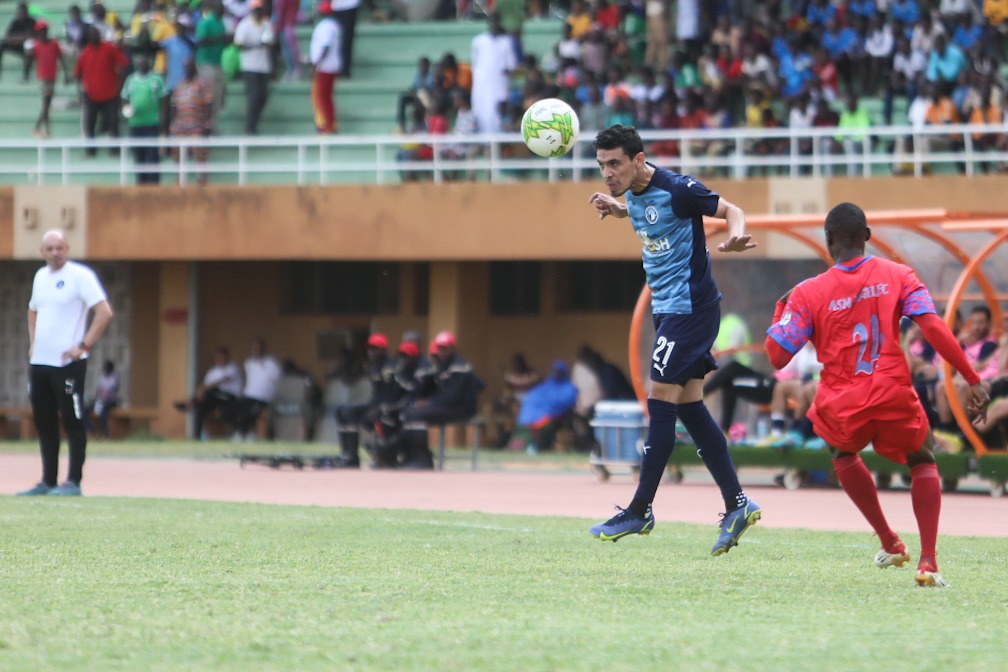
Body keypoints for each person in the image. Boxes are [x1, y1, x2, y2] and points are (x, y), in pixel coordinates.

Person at [765, 202, 990, 587]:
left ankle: (889, 540)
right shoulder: (899, 275)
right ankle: (928, 562)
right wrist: (971, 377)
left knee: (842, 453)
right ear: (867, 236)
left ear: (828, 240)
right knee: (923, 458)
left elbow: (777, 356)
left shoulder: (807, 292)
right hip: (891, 392)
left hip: (842, 403)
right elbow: (932, 326)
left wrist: (781, 307)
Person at [586, 124, 761, 556]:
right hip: (669, 309)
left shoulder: (679, 189)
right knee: (689, 406)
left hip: (690, 309)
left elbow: (731, 209)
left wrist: (736, 233)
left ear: (638, 160)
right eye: (602, 165)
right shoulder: (633, 190)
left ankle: (639, 509)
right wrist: (619, 209)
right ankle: (738, 503)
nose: (608, 173)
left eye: (615, 164)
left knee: (660, 399)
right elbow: (643, 209)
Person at [18, 229, 114, 497]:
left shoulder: (80, 276)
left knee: (73, 420)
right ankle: (48, 480)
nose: (55, 253)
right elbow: (32, 310)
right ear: (42, 252)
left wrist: (82, 346)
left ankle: (73, 481)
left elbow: (104, 312)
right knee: (45, 422)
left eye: (60, 247)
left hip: (67, 364)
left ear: (67, 249)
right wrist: (33, 342)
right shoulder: (40, 277)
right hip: (40, 363)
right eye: (50, 248)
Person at [399, 331, 485, 470]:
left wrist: (428, 403)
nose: (441, 351)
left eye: (444, 348)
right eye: (439, 347)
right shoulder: (444, 365)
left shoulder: (458, 366)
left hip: (462, 408)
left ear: (452, 348)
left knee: (416, 415)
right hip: (449, 406)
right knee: (409, 412)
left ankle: (423, 460)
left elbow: (452, 397)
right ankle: (411, 457)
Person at [330, 332, 396, 468]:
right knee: (341, 411)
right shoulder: (374, 366)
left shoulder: (389, 366)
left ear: (383, 349)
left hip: (386, 405)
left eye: (374, 348)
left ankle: (352, 457)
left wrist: (380, 408)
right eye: (369, 349)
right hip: (374, 402)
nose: (371, 352)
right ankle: (348, 454)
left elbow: (392, 393)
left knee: (351, 412)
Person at [73, 25, 130, 157]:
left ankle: (114, 150)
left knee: (113, 123)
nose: (95, 36)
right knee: (89, 125)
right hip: (91, 96)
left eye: (97, 33)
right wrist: (80, 92)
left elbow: (124, 65)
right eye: (92, 34)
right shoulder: (85, 52)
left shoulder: (109, 48)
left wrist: (120, 87)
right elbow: (77, 73)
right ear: (88, 37)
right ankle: (90, 150)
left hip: (110, 94)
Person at [509, 359, 579, 453]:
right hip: (536, 422)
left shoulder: (564, 387)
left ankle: (536, 446)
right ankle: (538, 446)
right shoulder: (548, 386)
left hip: (531, 421)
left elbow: (563, 404)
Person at [176, 345, 243, 439]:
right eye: (218, 358)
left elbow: (222, 380)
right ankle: (196, 437)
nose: (220, 359)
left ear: (227, 357)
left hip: (229, 397)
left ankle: (190, 403)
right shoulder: (212, 371)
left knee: (213, 391)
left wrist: (203, 388)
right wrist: (200, 391)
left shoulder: (233, 367)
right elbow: (205, 385)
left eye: (222, 357)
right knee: (200, 408)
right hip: (215, 398)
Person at [121, 53, 166, 185]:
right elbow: (124, 98)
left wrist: (163, 122)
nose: (143, 65)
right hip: (135, 124)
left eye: (145, 63)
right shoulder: (131, 80)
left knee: (152, 155)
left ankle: (153, 184)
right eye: (140, 63)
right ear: (136, 65)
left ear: (149, 64)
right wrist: (127, 109)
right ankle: (141, 183)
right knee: (138, 156)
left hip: (152, 123)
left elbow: (164, 101)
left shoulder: (156, 79)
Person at [169, 56, 213, 185]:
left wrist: (207, 122)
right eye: (186, 67)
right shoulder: (179, 85)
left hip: (197, 123)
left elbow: (208, 103)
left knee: (200, 152)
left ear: (194, 68)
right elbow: (174, 105)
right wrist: (172, 122)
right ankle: (179, 178)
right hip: (180, 123)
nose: (188, 69)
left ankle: (201, 180)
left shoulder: (202, 84)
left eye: (190, 66)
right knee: (177, 151)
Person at [232, 0, 273, 135]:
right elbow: (238, 44)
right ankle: (250, 127)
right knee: (253, 96)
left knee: (263, 96)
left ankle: (253, 124)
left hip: (264, 66)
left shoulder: (266, 24)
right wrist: (255, 45)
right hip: (249, 66)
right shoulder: (245, 25)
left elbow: (271, 41)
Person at [232, 337, 282, 441]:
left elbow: (278, 380)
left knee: (251, 412)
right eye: (255, 348)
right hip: (248, 396)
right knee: (233, 409)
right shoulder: (248, 363)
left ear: (264, 349)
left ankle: (242, 433)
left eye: (259, 348)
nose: (257, 351)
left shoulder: (271, 363)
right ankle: (246, 432)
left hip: (264, 398)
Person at [30, 21, 70, 139]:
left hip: (52, 77)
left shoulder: (54, 44)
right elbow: (30, 58)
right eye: (41, 32)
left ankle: (44, 129)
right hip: (43, 78)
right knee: (46, 103)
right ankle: (40, 128)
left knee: (47, 104)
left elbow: (61, 58)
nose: (43, 33)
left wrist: (66, 73)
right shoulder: (36, 46)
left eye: (44, 31)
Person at [309, 1, 341, 134]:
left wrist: (316, 63)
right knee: (327, 97)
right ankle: (331, 123)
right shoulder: (334, 25)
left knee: (321, 96)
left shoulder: (325, 26)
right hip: (331, 65)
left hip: (324, 66)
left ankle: (325, 125)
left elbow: (325, 46)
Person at [0, 2, 35, 83]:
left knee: (29, 47)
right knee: (2, 44)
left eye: (23, 12)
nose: (21, 14)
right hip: (17, 45)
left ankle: (26, 77)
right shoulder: (15, 22)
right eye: (19, 12)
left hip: (28, 48)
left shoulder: (31, 22)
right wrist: (21, 37)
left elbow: (31, 37)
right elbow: (8, 37)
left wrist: (16, 38)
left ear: (27, 12)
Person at [86, 359, 121, 438]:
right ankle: (91, 429)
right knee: (86, 410)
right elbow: (98, 390)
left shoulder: (114, 378)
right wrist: (96, 399)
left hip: (110, 401)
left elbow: (114, 391)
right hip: (100, 401)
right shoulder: (102, 376)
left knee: (103, 412)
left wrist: (105, 398)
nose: (106, 369)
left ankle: (105, 433)